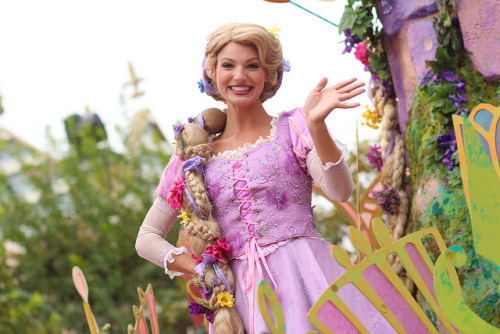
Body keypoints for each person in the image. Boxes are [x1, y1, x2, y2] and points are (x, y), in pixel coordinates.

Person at [136, 23, 390, 334]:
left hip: (308, 282)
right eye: (228, 65)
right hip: (240, 302)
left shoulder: (294, 127)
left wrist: (317, 124)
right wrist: (203, 270)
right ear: (212, 73)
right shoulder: (191, 155)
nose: (239, 75)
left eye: (252, 66)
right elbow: (146, 238)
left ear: (269, 74)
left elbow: (340, 190)